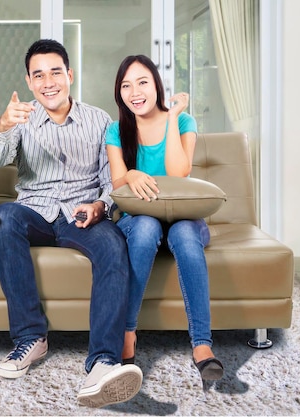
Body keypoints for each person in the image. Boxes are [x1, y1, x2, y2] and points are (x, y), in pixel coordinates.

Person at [0, 39, 143, 408]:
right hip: (35, 212)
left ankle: (102, 361)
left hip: (81, 214)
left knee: (114, 244)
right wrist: (4, 124)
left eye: (55, 72)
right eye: (38, 75)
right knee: (4, 217)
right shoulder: (22, 120)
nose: (48, 82)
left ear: (69, 75)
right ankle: (31, 339)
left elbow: (110, 179)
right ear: (29, 81)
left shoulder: (99, 120)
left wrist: (101, 206)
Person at [106, 54, 224, 381]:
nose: (135, 92)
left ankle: (202, 345)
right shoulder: (116, 131)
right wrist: (131, 174)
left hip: (182, 217)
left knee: (186, 235)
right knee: (145, 227)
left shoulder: (184, 123)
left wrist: (172, 117)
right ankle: (128, 333)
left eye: (143, 82)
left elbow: (179, 171)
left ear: (157, 85)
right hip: (138, 218)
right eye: (126, 86)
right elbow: (117, 185)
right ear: (119, 94)